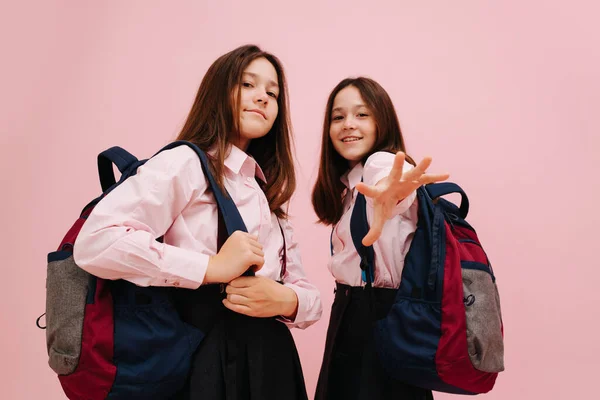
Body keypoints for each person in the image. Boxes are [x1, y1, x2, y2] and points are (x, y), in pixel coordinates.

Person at [74, 44, 322, 400]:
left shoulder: (263, 190)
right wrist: (211, 267)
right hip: (206, 356)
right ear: (219, 90)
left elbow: (308, 294)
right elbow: (96, 242)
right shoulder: (184, 163)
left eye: (272, 92)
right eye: (248, 84)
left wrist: (287, 301)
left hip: (272, 362)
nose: (263, 98)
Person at [312, 77, 449, 400]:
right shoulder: (352, 184)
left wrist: (393, 193)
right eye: (338, 116)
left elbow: (390, 186)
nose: (348, 125)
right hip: (351, 316)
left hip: (375, 318)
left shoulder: (380, 163)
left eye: (362, 115)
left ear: (381, 122)